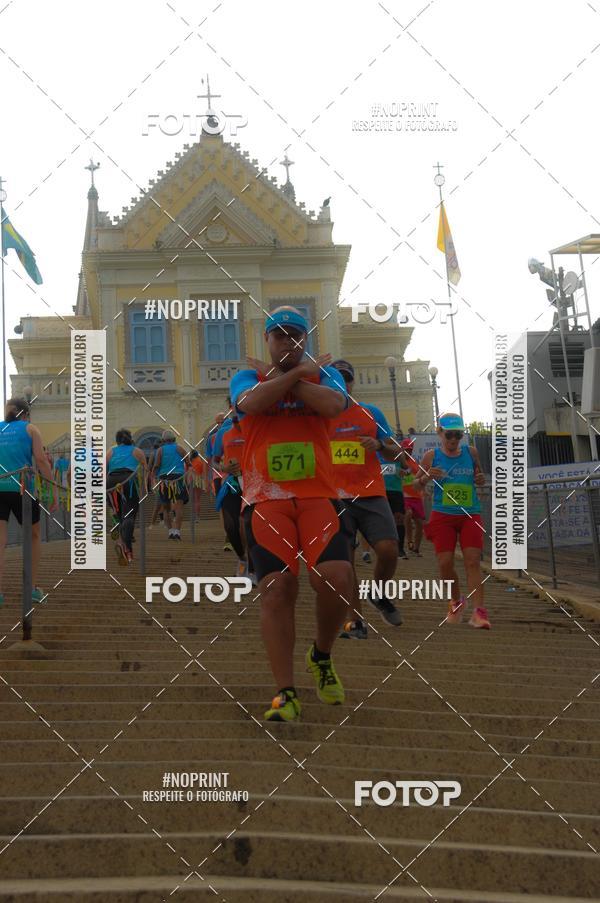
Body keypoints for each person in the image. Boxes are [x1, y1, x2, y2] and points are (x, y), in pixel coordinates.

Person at [230, 306, 353, 723]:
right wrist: (299, 375)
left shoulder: (328, 375)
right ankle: (285, 692)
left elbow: (334, 405)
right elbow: (252, 403)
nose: (287, 342)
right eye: (279, 335)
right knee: (279, 588)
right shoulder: (246, 377)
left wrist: (286, 378)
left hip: (318, 497)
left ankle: (321, 655)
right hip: (266, 503)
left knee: (338, 580)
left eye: (295, 335)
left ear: (305, 339)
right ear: (267, 340)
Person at [328, 359, 404, 639]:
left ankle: (378, 591)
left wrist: (379, 445)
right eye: (334, 379)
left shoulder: (370, 413)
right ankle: (355, 622)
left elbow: (396, 452)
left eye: (345, 379)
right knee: (345, 563)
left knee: (388, 549)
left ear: (351, 383)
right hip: (335, 498)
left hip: (371, 493)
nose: (340, 385)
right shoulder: (319, 417)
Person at [418, 412, 490, 629]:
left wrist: (480, 479)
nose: (453, 440)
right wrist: (426, 477)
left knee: (472, 561)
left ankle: (479, 612)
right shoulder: (431, 456)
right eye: (449, 435)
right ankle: (456, 601)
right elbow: (414, 485)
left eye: (458, 435)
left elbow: (480, 478)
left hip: (469, 513)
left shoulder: (471, 452)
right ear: (440, 432)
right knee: (445, 563)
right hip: (442, 515)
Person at [0, 398, 53, 606]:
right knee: (33, 536)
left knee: (0, 542)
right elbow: (40, 459)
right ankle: (31, 589)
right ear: (26, 414)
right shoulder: (31, 429)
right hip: (23, 488)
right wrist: (53, 489)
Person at [106, 429, 146, 565]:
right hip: (128, 479)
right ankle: (127, 548)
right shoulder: (137, 451)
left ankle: (120, 539)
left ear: (117, 440)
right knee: (129, 515)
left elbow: (103, 469)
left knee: (118, 514)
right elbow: (145, 470)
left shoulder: (111, 451)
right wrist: (145, 488)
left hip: (111, 481)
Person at [153, 430, 188, 540]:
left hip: (164, 479)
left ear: (163, 440)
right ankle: (177, 531)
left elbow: (157, 465)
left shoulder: (160, 450)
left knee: (166, 507)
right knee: (179, 507)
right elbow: (188, 462)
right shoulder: (179, 448)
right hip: (178, 478)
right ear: (174, 439)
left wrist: (154, 477)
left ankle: (170, 532)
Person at [379, 439, 409, 560]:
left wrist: (405, 472)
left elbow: (408, 470)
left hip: (396, 491)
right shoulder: (377, 453)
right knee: (382, 521)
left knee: (399, 519)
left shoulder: (398, 454)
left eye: (392, 441)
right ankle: (383, 550)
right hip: (381, 491)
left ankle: (400, 549)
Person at [401, 437, 425, 556]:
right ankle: (409, 542)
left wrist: (424, 491)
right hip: (404, 496)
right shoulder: (399, 462)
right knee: (408, 514)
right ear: (402, 449)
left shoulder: (415, 462)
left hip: (416, 496)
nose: (408, 451)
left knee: (420, 523)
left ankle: (416, 548)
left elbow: (420, 478)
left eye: (410, 449)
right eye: (406, 449)